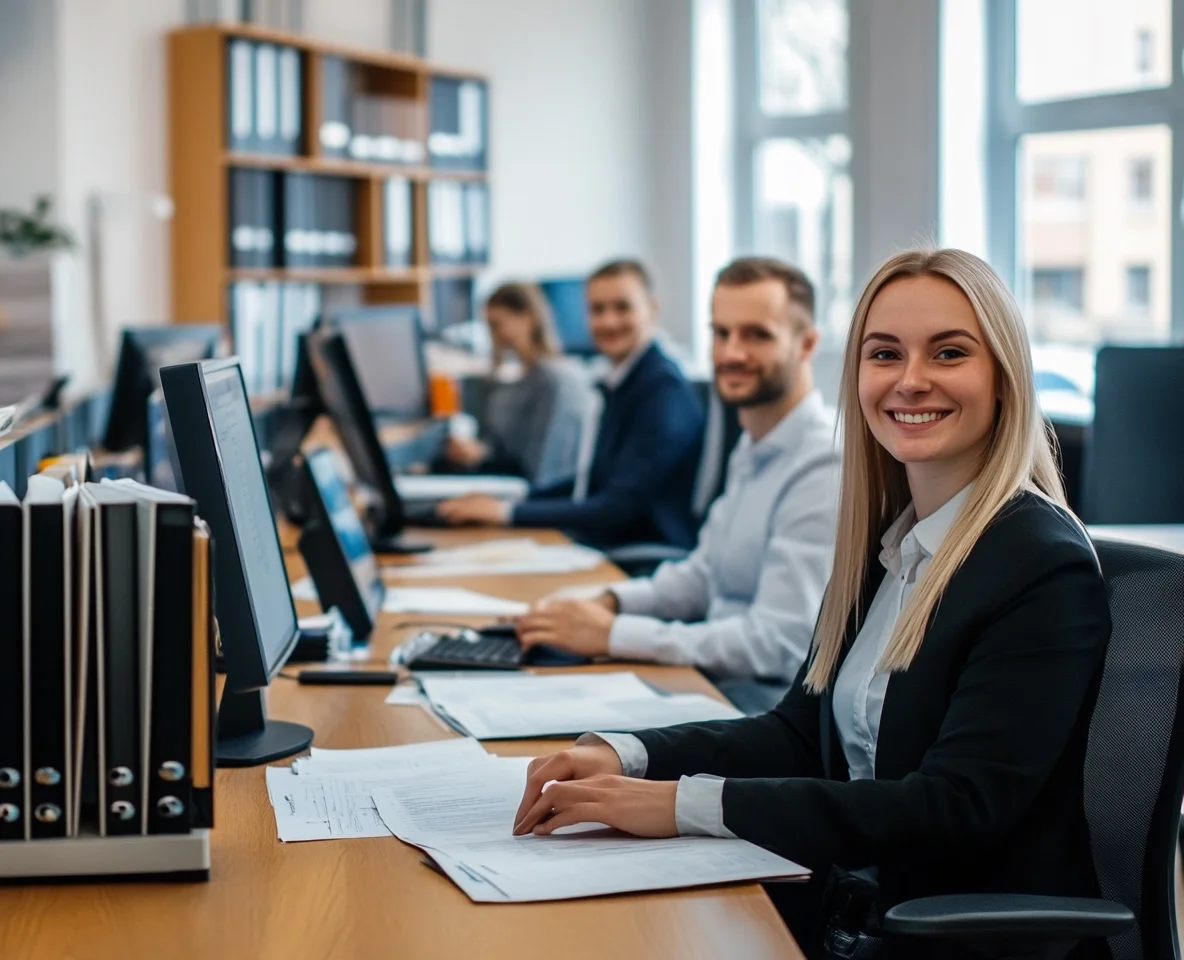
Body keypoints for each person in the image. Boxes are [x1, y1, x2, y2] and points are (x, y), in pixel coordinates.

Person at [511, 249, 1111, 960]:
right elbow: (799, 733)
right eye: (884, 353)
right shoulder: (889, 540)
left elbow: (954, 808)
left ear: (1005, 375)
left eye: (949, 353)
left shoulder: (1038, 563)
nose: (910, 380)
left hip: (950, 938)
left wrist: (684, 806)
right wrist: (632, 755)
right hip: (852, 906)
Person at [514, 257, 840, 714]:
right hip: (711, 684)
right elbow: (702, 576)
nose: (730, 353)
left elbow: (776, 644)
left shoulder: (822, 464)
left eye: (757, 335)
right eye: (721, 333)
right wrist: (608, 602)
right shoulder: (754, 447)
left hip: (762, 712)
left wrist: (613, 634)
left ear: (807, 344)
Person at [436, 259, 705, 550]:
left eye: (622, 307)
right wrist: (508, 504)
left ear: (652, 309)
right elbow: (588, 485)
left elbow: (617, 508)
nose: (608, 321)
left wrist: (507, 512)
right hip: (605, 545)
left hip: (638, 557)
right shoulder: (622, 382)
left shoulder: (662, 392)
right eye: (597, 310)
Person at [441, 282, 590, 489]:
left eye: (497, 325)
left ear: (527, 317)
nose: (495, 335)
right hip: (512, 480)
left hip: (529, 492)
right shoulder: (516, 377)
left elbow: (538, 467)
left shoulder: (549, 379)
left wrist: (482, 456)